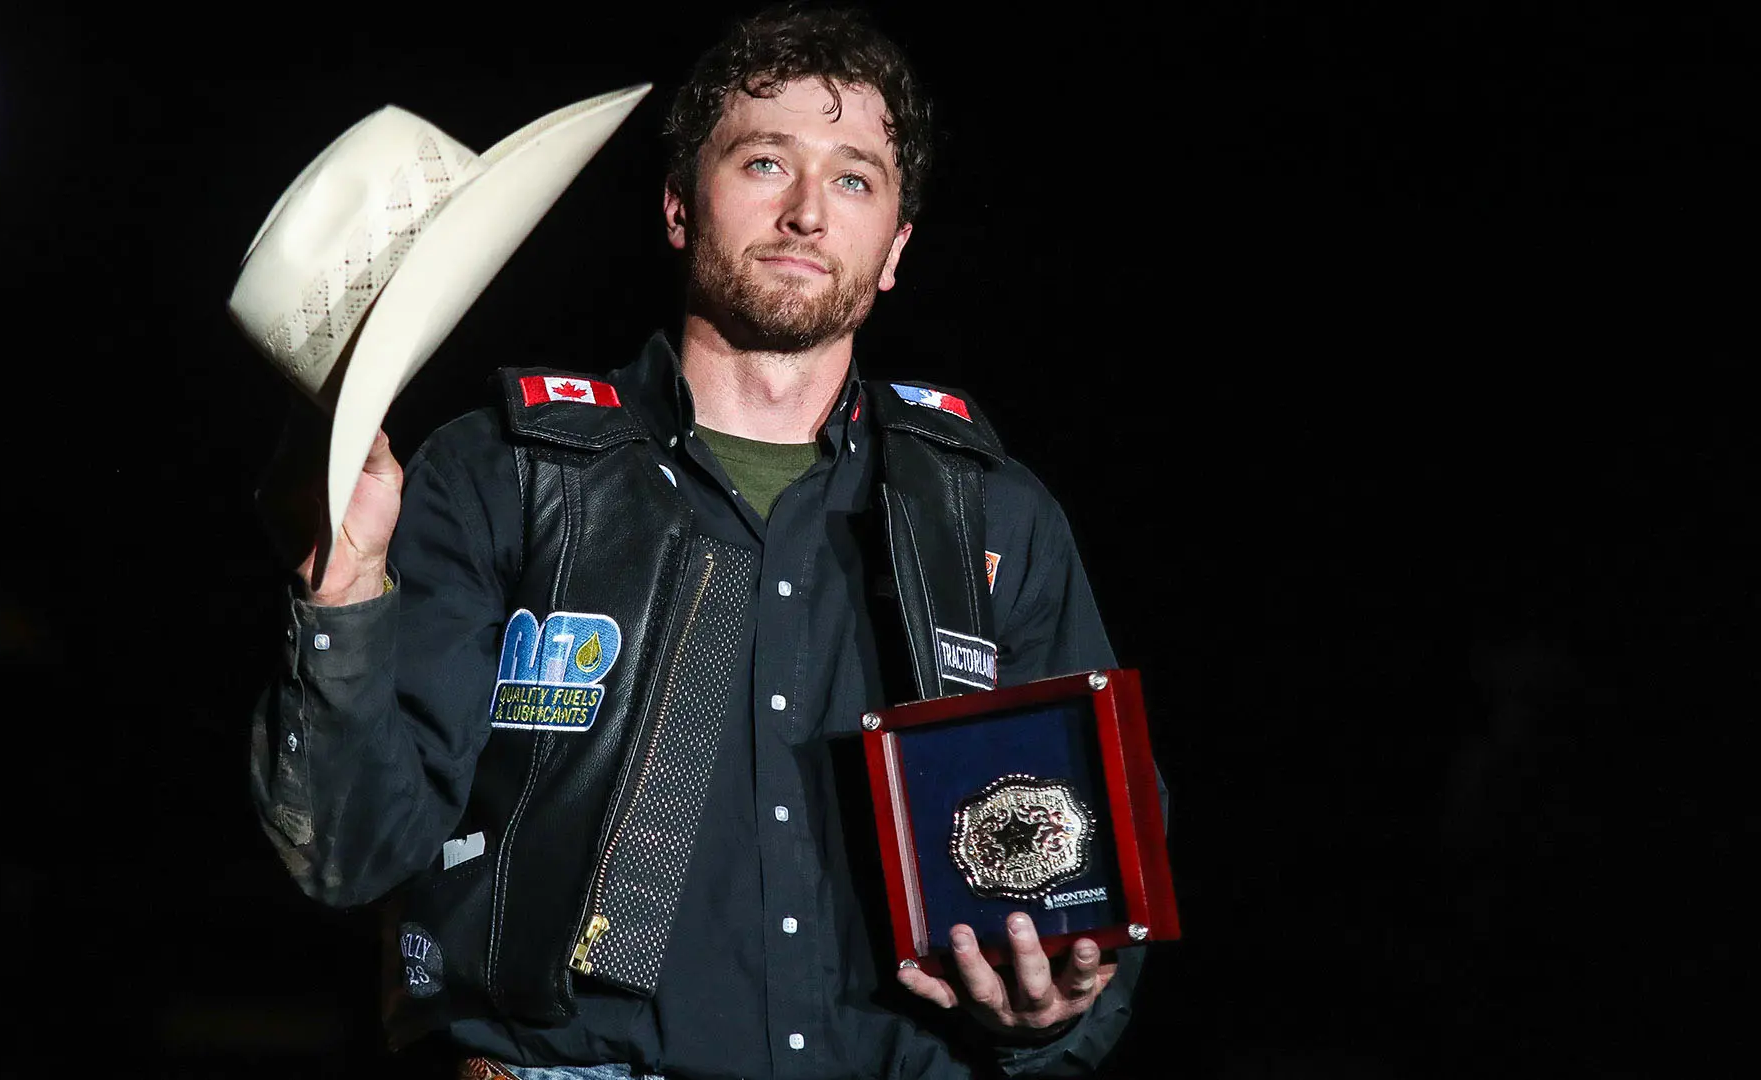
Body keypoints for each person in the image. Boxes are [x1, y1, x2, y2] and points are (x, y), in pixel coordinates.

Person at [249, 5, 1155, 1078]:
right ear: (680, 206)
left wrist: (1049, 1017)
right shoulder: (503, 473)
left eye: (856, 178)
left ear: (897, 247)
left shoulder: (993, 516)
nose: (810, 212)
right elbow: (351, 853)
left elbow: (1101, 878)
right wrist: (345, 584)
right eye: (766, 161)